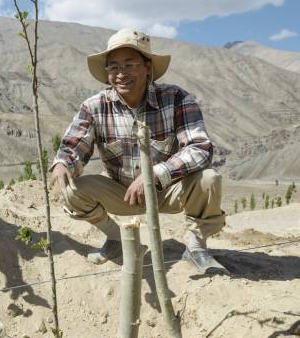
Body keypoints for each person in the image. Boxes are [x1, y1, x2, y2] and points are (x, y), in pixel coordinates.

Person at [50, 28, 227, 274]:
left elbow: (200, 148)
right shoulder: (95, 106)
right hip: (122, 192)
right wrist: (63, 164)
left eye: (130, 65)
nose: (121, 74)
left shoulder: (176, 99)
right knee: (72, 187)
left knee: (209, 179)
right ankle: (115, 240)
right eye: (113, 67)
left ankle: (197, 247)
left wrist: (155, 174)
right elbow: (74, 144)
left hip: (167, 189)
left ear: (147, 67)